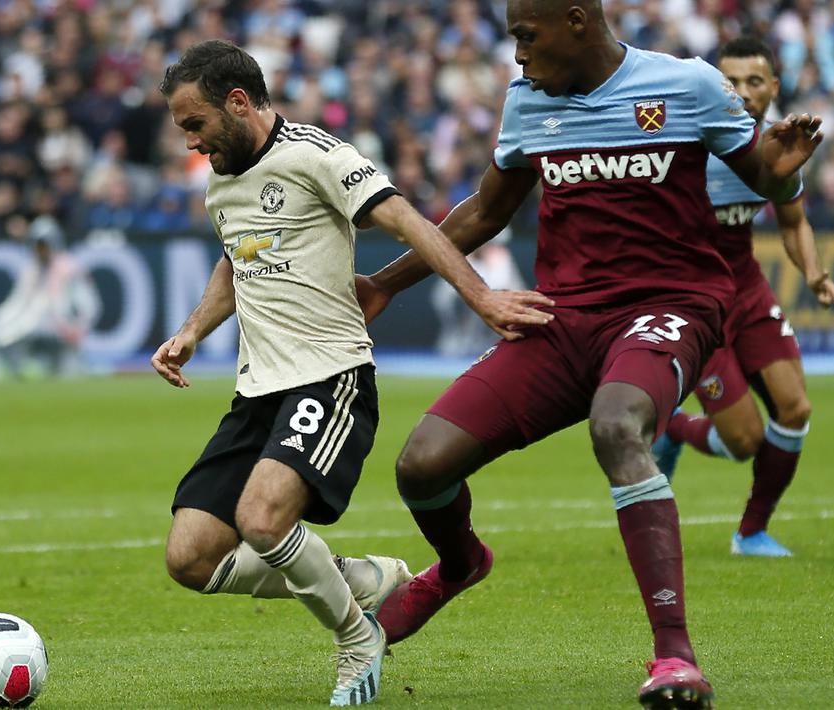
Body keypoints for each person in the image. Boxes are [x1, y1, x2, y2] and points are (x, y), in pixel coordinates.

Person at [355, 2, 824, 707]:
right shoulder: (527, 101)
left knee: (616, 424)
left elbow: (764, 173)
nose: (517, 54)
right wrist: (385, 284)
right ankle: (458, 564)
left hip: (672, 304)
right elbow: (486, 210)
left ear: (575, 21)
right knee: (421, 466)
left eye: (525, 36)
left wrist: (781, 176)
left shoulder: (688, 84)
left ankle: (674, 656)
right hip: (565, 316)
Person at [150, 40, 553, 707]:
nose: (191, 142)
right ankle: (360, 580)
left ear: (238, 102)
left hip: (329, 378)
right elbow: (236, 256)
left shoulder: (317, 155)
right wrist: (193, 330)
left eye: (195, 124)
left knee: (262, 519)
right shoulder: (221, 180)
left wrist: (481, 297)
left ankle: (355, 637)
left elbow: (405, 220)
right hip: (256, 392)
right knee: (190, 557)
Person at [651, 37, 834, 558]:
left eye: (754, 81)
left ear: (773, 87)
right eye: (730, 81)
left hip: (748, 290)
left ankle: (751, 533)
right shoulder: (687, 143)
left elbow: (794, 222)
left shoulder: (780, 147)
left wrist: (814, 274)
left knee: (795, 408)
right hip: (695, 301)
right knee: (744, 442)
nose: (742, 90)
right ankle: (675, 430)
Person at [0, 230, 99, 381]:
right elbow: (18, 302)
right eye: (38, 247)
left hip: (61, 334)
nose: (41, 251)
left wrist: (77, 328)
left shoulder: (68, 268)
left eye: (44, 246)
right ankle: (12, 369)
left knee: (66, 375)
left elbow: (87, 305)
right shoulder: (32, 269)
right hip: (35, 330)